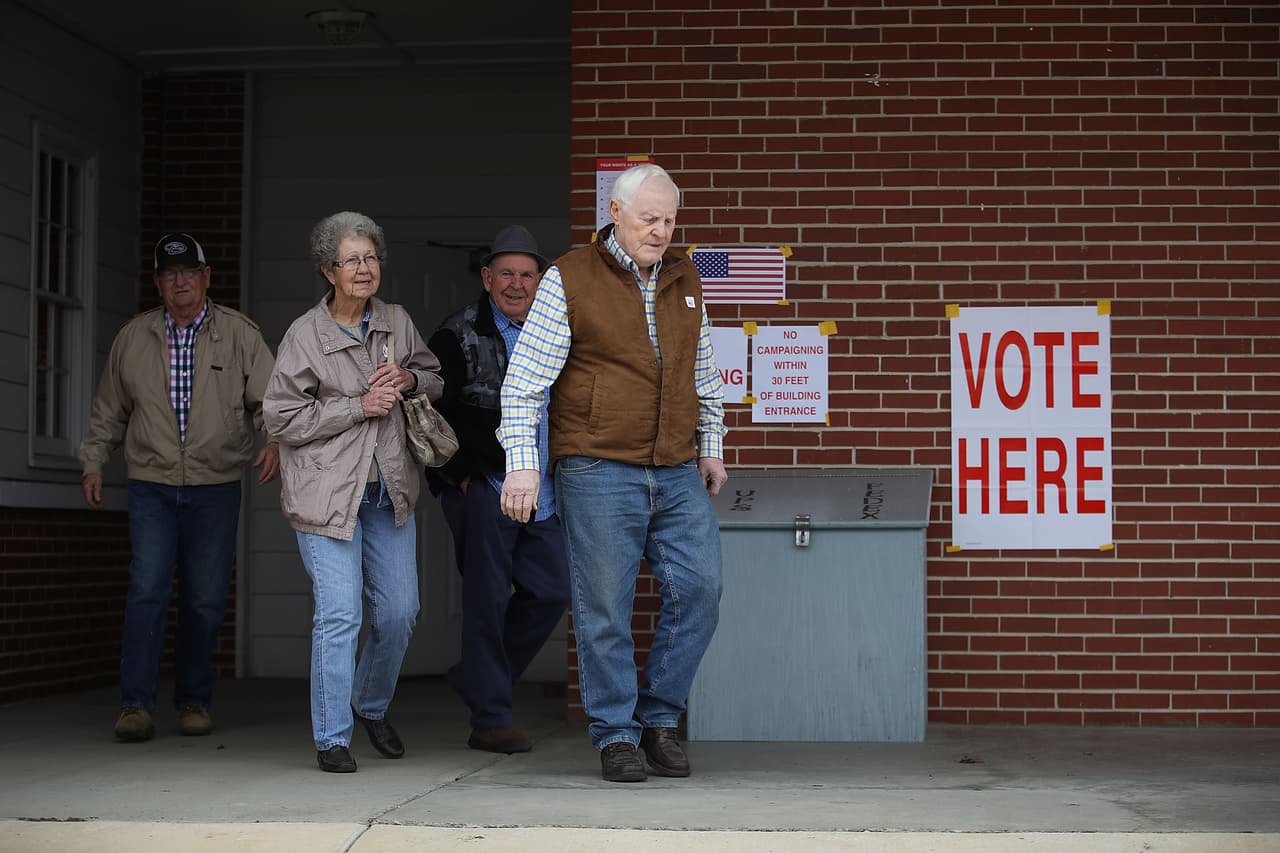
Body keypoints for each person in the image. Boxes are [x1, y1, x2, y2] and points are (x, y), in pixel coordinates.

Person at [497, 164, 728, 783]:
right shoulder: (569, 277)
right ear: (616, 213)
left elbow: (703, 372)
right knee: (605, 608)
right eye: (649, 218)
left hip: (675, 468)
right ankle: (617, 734)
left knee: (701, 591)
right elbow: (524, 385)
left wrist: (710, 445)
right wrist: (523, 468)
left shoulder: (685, 279)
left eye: (669, 220)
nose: (660, 231)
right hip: (597, 467)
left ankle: (658, 717)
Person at [80, 231, 280, 743]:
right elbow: (108, 410)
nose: (181, 282)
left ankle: (194, 701)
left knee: (204, 598)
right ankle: (135, 706)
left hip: (216, 485)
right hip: (151, 483)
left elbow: (271, 401)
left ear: (206, 277)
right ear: (158, 283)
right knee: (147, 588)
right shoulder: (133, 338)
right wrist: (93, 462)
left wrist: (275, 441)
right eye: (170, 274)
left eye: (189, 272)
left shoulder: (239, 334)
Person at [264, 211, 443, 774]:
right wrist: (357, 407)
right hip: (326, 496)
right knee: (340, 615)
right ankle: (331, 736)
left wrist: (409, 379)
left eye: (370, 258)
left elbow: (434, 377)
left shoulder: (396, 322)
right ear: (328, 271)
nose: (364, 269)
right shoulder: (304, 335)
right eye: (351, 261)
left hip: (388, 493)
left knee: (400, 613)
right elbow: (281, 417)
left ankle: (370, 703)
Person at [427, 225, 571, 755]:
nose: (516, 284)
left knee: (552, 589)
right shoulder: (456, 333)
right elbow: (428, 412)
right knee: (487, 600)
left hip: (543, 488)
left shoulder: (559, 330)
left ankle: (477, 677)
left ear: (542, 281)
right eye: (506, 274)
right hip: (484, 484)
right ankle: (491, 719)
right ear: (487, 278)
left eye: (527, 275)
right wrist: (460, 475)